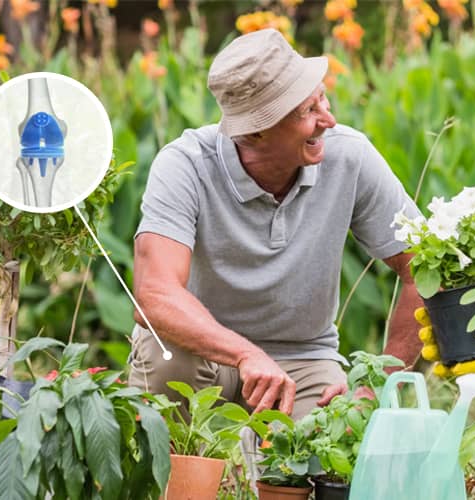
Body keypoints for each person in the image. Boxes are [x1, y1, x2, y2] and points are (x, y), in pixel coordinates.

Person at [128, 29, 423, 418]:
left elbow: (422, 266)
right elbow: (154, 294)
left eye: (323, 99)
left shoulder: (350, 157)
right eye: (308, 112)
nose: (329, 120)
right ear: (256, 131)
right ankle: (177, 473)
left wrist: (376, 384)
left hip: (304, 359)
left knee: (333, 447)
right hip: (201, 353)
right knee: (164, 358)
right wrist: (245, 354)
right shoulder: (185, 164)